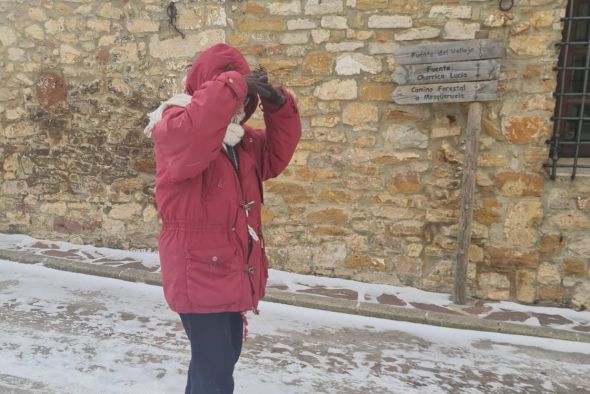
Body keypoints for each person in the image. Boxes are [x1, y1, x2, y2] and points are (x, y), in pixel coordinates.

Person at [144, 43, 301, 393]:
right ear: (206, 88)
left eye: (245, 100)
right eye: (232, 94)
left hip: (231, 270)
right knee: (214, 372)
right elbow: (197, 136)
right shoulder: (173, 126)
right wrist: (233, 84)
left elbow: (278, 151)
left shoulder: (241, 143)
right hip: (196, 271)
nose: (239, 107)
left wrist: (278, 105)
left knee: (219, 362)